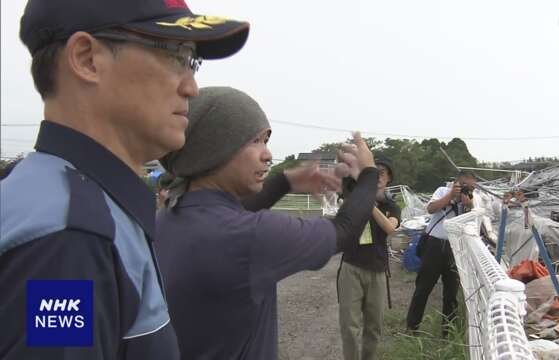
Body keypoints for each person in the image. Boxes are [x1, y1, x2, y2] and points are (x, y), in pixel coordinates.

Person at [0, 1, 249, 359]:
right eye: (177, 56)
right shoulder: (72, 238)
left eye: (192, 62)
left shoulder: (66, 199)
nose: (192, 88)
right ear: (87, 59)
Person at [155, 86, 379, 360]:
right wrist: (369, 175)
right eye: (256, 141)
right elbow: (344, 230)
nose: (268, 154)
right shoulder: (251, 236)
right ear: (213, 149)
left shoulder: (167, 217)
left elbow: (232, 217)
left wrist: (286, 181)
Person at [337, 155, 401, 360]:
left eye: (382, 173)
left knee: (374, 327)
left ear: (389, 178)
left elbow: (390, 228)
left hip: (377, 271)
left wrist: (370, 204)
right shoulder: (353, 197)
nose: (378, 176)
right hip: (351, 267)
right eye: (374, 171)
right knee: (349, 326)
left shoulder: (392, 206)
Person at [406, 171, 477, 336]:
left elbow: (473, 223)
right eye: (466, 186)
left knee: (451, 292)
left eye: (472, 187)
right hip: (434, 246)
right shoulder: (442, 191)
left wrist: (469, 206)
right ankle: (412, 327)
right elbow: (431, 209)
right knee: (423, 288)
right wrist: (451, 195)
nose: (469, 190)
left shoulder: (472, 199)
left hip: (455, 248)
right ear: (457, 183)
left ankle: (448, 331)